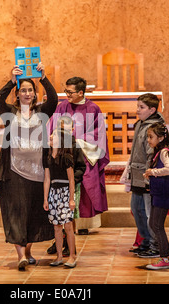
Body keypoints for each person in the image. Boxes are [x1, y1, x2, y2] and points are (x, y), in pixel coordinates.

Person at [0, 62, 57, 270]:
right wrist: (10, 80)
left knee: (32, 212)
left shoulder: (42, 112)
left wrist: (44, 78)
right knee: (16, 212)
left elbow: (54, 99)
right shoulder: (10, 112)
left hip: (38, 172)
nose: (27, 93)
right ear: (18, 94)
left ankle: (27, 250)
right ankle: (21, 255)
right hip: (13, 172)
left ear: (34, 93)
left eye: (30, 90)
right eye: (23, 90)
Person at [49, 77, 109, 235]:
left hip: (84, 154)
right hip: (64, 155)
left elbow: (98, 133)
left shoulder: (93, 109)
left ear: (81, 92)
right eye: (66, 91)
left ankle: (82, 224)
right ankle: (64, 223)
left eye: (70, 92)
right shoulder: (62, 107)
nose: (67, 94)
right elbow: (52, 128)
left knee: (85, 183)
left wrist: (77, 141)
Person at [124, 93, 164, 258]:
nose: (137, 110)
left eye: (142, 107)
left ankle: (155, 246)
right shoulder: (141, 123)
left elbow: (152, 153)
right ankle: (145, 242)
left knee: (148, 213)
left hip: (147, 176)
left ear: (152, 109)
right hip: (137, 174)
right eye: (138, 106)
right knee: (136, 209)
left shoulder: (154, 127)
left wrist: (149, 174)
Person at [46, 116, 86, 256]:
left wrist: (71, 181)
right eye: (61, 130)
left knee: (70, 218)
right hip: (56, 188)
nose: (64, 133)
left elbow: (81, 167)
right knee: (57, 218)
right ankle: (59, 242)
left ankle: (70, 247)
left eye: (67, 130)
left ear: (73, 130)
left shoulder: (74, 146)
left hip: (71, 186)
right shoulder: (52, 151)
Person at [143, 122, 169, 270]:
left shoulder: (164, 151)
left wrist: (153, 172)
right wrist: (150, 174)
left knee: (156, 225)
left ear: (161, 137)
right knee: (155, 224)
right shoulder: (159, 152)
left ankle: (164, 258)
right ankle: (168, 255)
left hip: (163, 193)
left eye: (151, 137)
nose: (149, 140)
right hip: (159, 192)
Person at [43, 126, 77, 268]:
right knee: (57, 227)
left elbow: (71, 179)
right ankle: (58, 256)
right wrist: (45, 198)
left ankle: (72, 256)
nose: (50, 137)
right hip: (53, 194)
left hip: (65, 193)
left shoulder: (66, 158)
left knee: (68, 225)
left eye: (54, 136)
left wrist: (71, 199)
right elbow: (47, 179)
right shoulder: (48, 157)